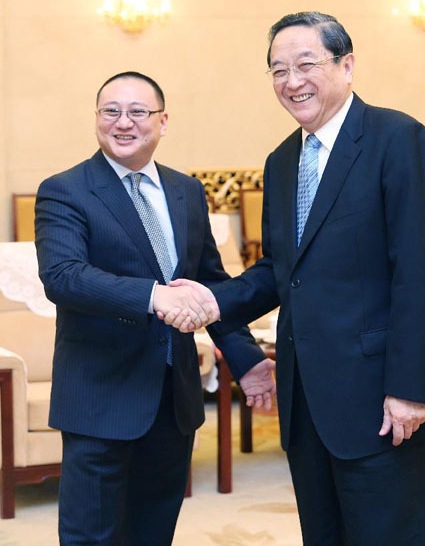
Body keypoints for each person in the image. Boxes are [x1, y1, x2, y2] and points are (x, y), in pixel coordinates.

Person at [164, 13, 425, 545]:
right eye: (278, 70)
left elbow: (423, 277)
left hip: (385, 403)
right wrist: (213, 301)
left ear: (347, 65)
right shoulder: (282, 161)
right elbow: (281, 273)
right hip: (308, 402)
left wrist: (410, 389)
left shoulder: (399, 139)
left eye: (306, 64)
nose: (292, 81)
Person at [35, 71, 275, 546]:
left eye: (137, 112)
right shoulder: (65, 189)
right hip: (100, 399)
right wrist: (154, 295)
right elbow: (63, 277)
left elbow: (209, 282)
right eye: (110, 111)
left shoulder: (185, 190)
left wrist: (245, 361)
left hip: (173, 398)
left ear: (163, 122)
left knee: (153, 533)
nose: (123, 123)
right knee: (92, 537)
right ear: (97, 118)